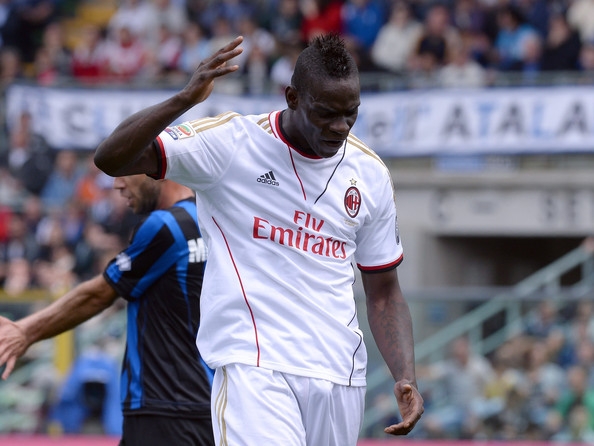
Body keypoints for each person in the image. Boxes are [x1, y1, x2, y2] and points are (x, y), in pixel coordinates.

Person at [93, 33, 424, 445]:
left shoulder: (370, 173)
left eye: (350, 113)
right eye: (326, 114)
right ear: (292, 98)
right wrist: (184, 99)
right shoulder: (232, 143)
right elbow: (112, 158)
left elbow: (385, 292)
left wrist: (405, 375)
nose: (340, 127)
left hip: (340, 374)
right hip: (253, 367)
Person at [0, 175, 213, 446]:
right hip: (207, 401)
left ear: (156, 168)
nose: (117, 185)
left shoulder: (164, 225)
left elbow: (99, 294)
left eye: (125, 171)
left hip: (162, 408)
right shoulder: (209, 221)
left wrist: (25, 331)